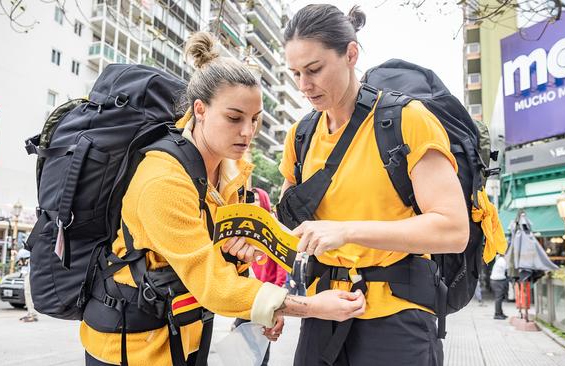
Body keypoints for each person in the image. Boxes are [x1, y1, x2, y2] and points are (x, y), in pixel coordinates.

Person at [80, 32, 365, 366]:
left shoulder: (232, 176)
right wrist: (311, 306)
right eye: (234, 118)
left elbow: (231, 266)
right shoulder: (163, 180)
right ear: (200, 110)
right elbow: (211, 284)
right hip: (127, 346)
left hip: (185, 335)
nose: (247, 132)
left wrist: (260, 310)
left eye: (255, 119)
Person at [279, 5, 469, 366]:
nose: (304, 85)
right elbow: (294, 224)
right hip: (323, 312)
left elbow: (453, 229)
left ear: (351, 54)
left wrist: (347, 231)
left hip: (396, 314)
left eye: (315, 69)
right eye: (295, 73)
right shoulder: (300, 135)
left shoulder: (406, 120)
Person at [232, 188, 287, 366]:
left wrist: (275, 297)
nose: (253, 202)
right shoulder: (245, 229)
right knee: (241, 349)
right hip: (246, 296)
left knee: (260, 350)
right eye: (250, 199)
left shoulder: (273, 229)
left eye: (256, 199)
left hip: (265, 298)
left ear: (263, 201)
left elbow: (281, 270)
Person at [17, 249, 38, 322]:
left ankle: (32, 314)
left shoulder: (29, 250)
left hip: (30, 273)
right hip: (28, 272)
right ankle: (30, 313)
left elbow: (21, 255)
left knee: (29, 293)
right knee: (27, 293)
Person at [490, 254, 508, 320]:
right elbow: (507, 269)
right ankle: (497, 314)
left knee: (500, 298)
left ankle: (500, 313)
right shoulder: (502, 261)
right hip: (497, 281)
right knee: (498, 298)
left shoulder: (500, 259)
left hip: (497, 280)